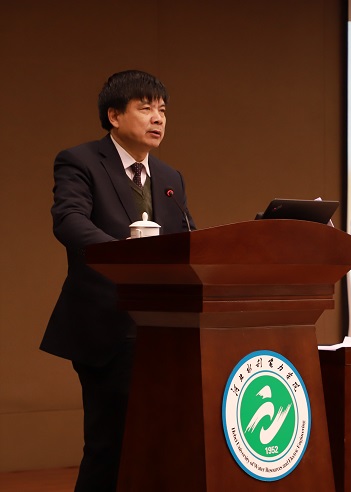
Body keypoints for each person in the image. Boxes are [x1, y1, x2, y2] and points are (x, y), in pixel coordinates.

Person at [40, 70, 195, 492]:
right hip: (107, 327)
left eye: (162, 110)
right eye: (145, 108)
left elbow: (187, 238)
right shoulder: (80, 161)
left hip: (164, 329)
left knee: (160, 445)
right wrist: (126, 257)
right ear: (114, 115)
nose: (158, 118)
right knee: (111, 447)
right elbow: (69, 221)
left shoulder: (170, 177)